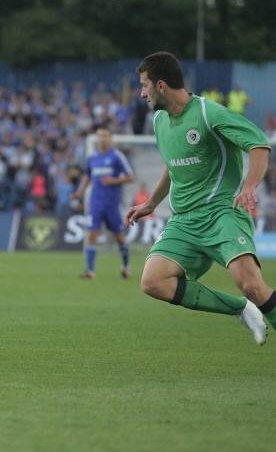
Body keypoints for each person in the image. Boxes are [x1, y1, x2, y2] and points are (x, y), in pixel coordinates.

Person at [125, 51, 272, 346]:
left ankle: (250, 300)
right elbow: (173, 163)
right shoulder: (159, 122)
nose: (141, 93)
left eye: (144, 85)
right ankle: (240, 309)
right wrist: (151, 204)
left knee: (252, 285)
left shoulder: (209, 113)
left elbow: (258, 143)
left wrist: (250, 186)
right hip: (184, 222)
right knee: (153, 282)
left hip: (222, 213)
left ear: (161, 85)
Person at [71, 125, 135, 279]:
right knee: (91, 233)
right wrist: (79, 192)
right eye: (100, 136)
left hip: (112, 203)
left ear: (110, 138)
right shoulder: (92, 158)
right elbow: (87, 176)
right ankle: (90, 271)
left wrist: (114, 180)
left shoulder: (116, 156)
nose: (102, 139)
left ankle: (126, 266)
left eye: (105, 136)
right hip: (95, 202)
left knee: (119, 236)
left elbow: (131, 176)